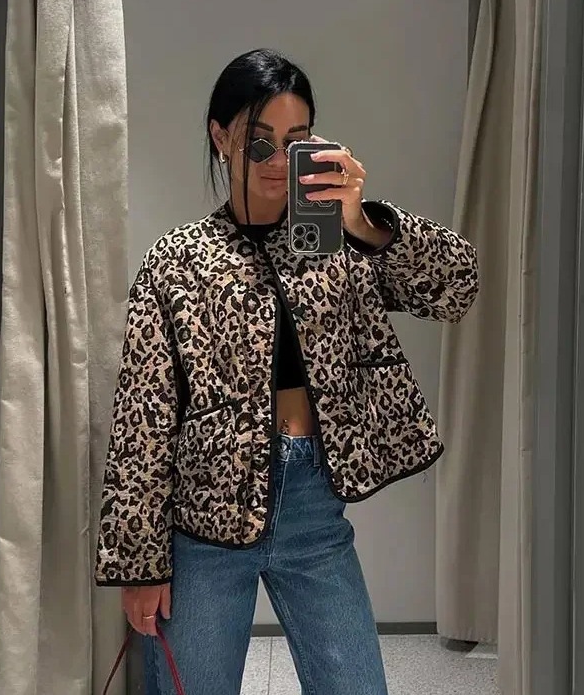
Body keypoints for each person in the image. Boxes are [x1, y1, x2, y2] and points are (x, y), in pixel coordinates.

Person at [95, 48, 479, 695]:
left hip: (313, 508)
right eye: (259, 141)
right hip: (205, 524)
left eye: (295, 142)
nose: (278, 161)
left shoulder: (335, 241)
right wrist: (140, 564)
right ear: (221, 137)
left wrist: (362, 220)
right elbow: (143, 418)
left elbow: (457, 286)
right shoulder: (178, 260)